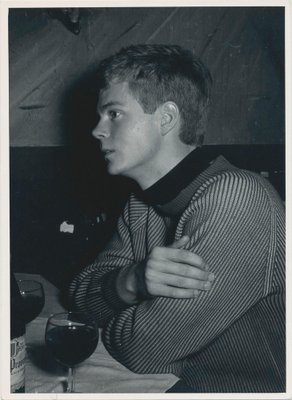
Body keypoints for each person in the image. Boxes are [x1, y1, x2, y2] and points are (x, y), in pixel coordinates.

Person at [68, 44, 285, 392]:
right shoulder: (142, 203)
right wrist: (132, 281)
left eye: (113, 114)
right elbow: (80, 300)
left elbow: (144, 351)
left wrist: (115, 305)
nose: (97, 130)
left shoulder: (237, 199)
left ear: (167, 118)